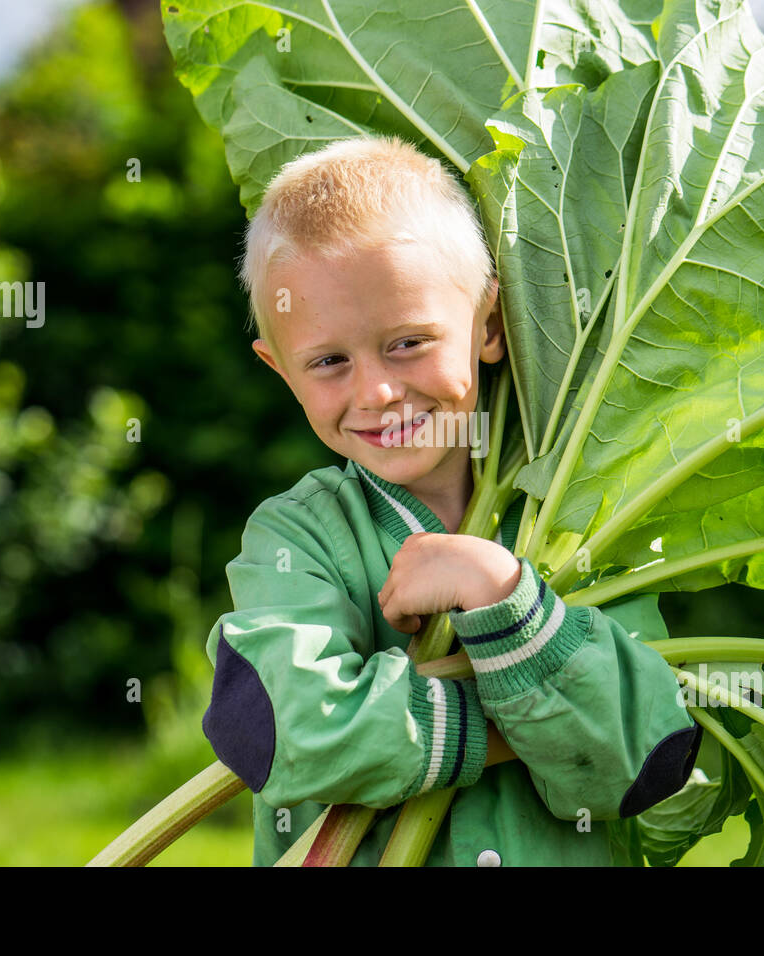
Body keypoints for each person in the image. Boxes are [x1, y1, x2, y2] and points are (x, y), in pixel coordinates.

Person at [203, 134, 702, 865]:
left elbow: (646, 758)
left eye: (408, 343)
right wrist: (521, 711)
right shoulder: (298, 536)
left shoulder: (587, 530)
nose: (376, 390)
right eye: (330, 361)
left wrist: (499, 591)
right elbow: (279, 730)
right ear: (281, 371)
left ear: (490, 324)